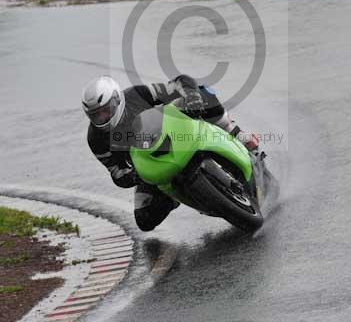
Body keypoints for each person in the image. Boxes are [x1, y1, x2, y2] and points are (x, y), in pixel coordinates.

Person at [82, 75, 259, 232]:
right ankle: (174, 196)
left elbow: (178, 83)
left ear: (116, 100)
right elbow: (115, 171)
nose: (102, 118)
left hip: (174, 134)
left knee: (204, 93)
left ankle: (237, 134)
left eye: (106, 111)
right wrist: (132, 176)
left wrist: (192, 95)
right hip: (149, 167)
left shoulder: (136, 95)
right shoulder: (96, 139)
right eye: (96, 115)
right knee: (144, 220)